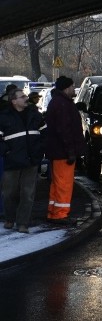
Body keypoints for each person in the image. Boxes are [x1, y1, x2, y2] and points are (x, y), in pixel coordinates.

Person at [0, 88, 45, 233]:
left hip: (31, 160)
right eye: (22, 96)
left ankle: (22, 223)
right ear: (14, 101)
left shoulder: (34, 114)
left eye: (25, 95)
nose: (26, 98)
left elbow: (45, 132)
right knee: (9, 193)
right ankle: (10, 218)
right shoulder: (4, 117)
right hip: (12, 160)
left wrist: (40, 150)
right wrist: (6, 151)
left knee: (28, 193)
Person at [43, 76, 85, 225]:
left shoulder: (57, 102)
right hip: (63, 152)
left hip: (57, 151)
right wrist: (71, 151)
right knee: (64, 184)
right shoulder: (63, 104)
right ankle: (61, 214)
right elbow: (65, 130)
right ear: (66, 88)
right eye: (73, 87)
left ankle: (54, 211)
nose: (74, 89)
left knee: (57, 183)